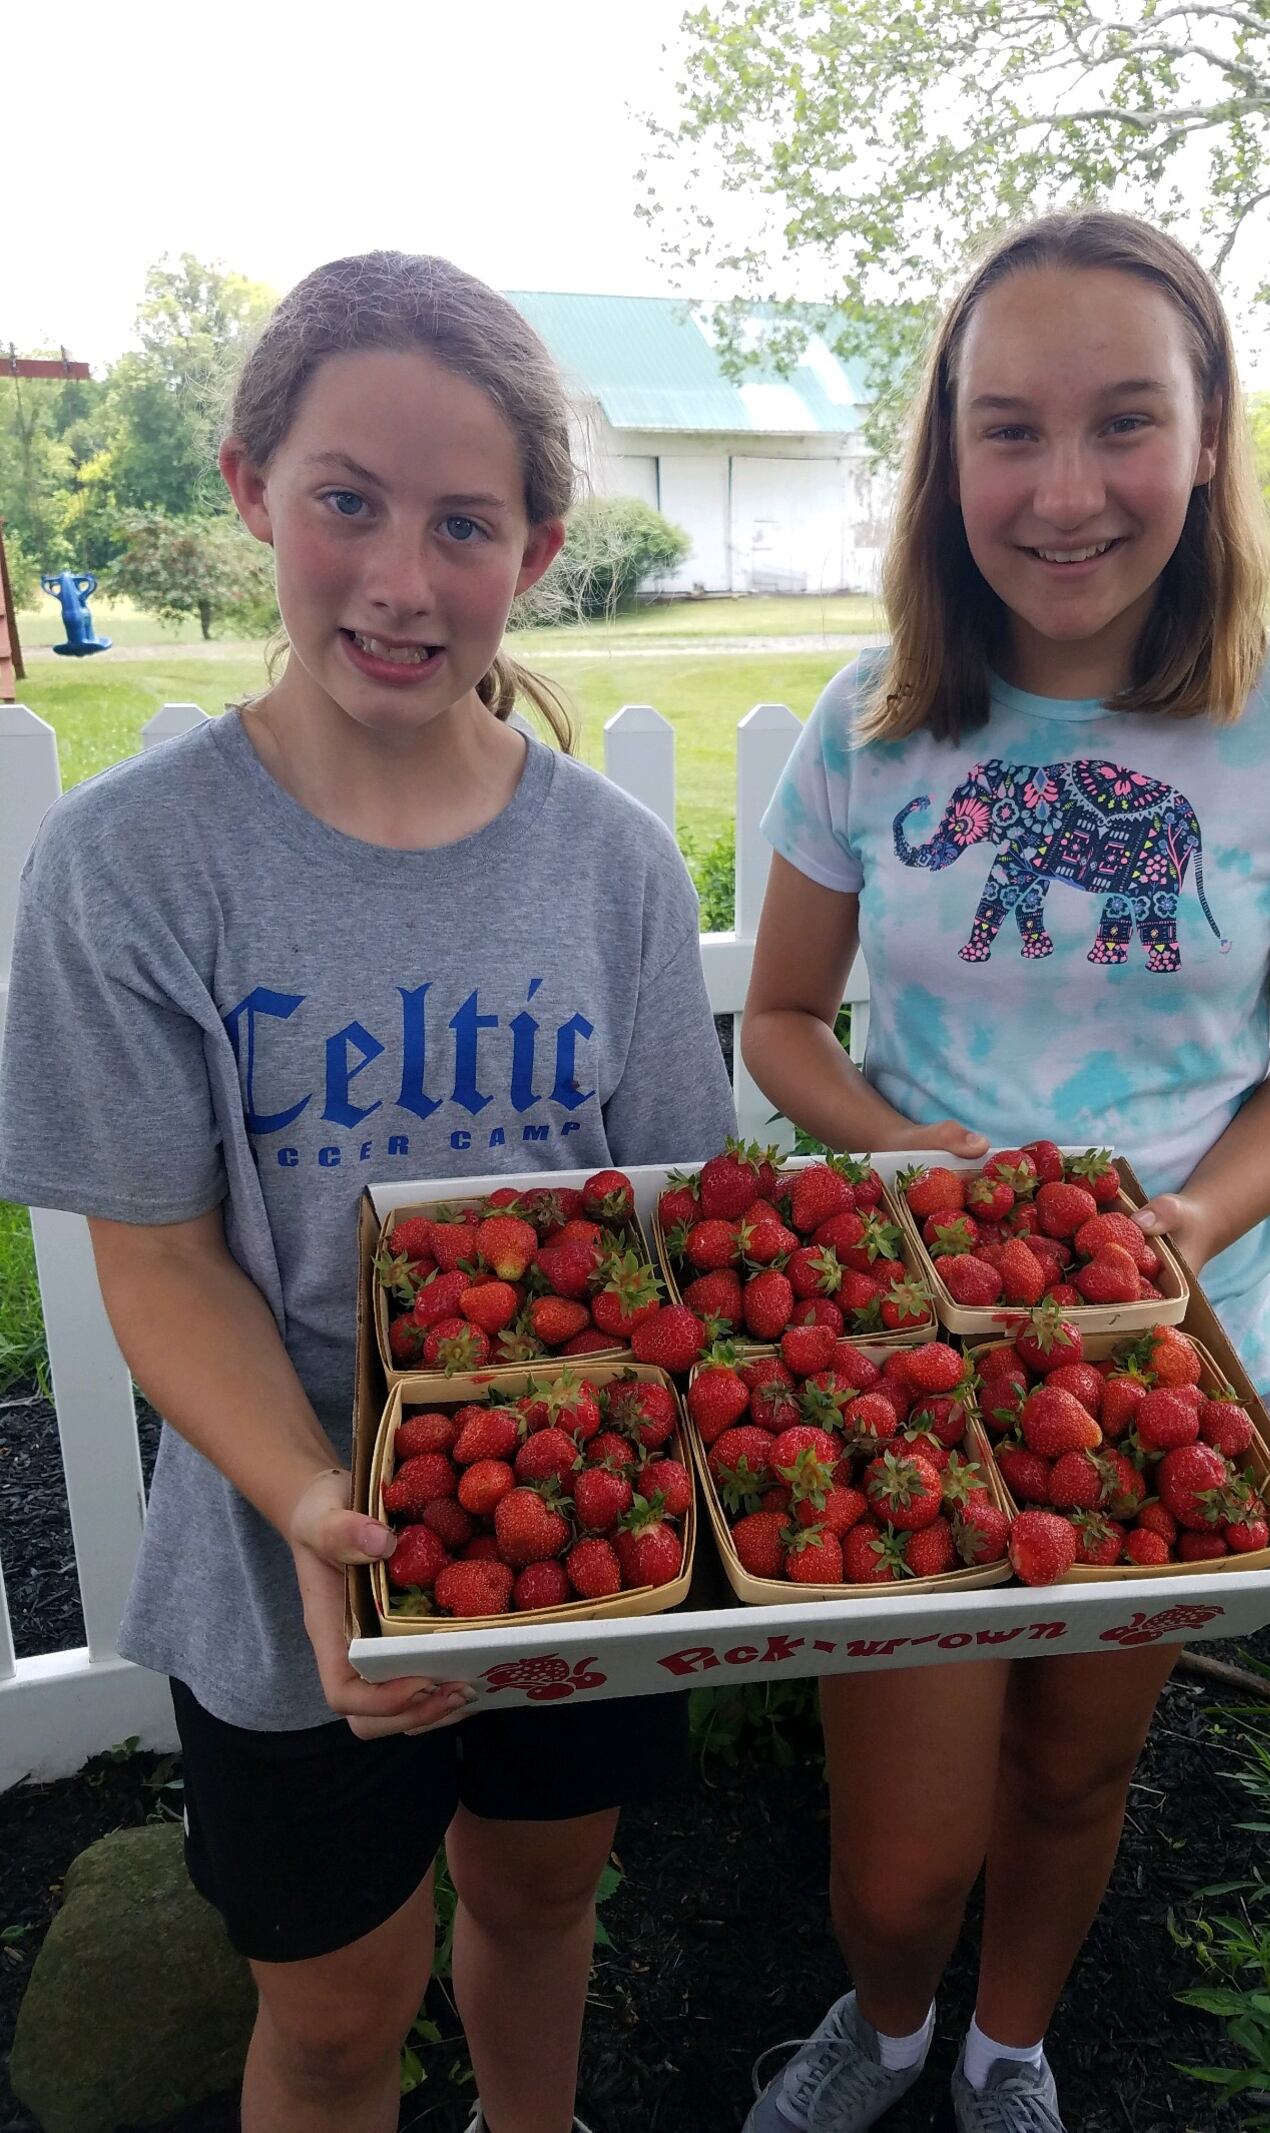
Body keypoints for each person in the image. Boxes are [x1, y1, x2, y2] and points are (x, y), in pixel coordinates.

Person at [0, 251, 735, 2133]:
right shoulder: (134, 869)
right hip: (286, 1537)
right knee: (333, 2010)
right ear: (253, 489)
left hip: (588, 1507)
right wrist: (324, 1498)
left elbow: (667, 1217)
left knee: (544, 1891)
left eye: (464, 522)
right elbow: (157, 1260)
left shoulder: (614, 869)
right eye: (347, 501)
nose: (402, 579)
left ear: (539, 548)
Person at [738, 210, 1270, 2132]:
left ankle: (1007, 2043)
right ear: (947, 458)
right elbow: (785, 1024)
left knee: (1070, 1771)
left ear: (1208, 439)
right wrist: (903, 1152)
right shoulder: (869, 726)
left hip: (1172, 1354)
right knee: (899, 1850)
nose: (1063, 490)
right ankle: (881, 2018)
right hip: (910, 1345)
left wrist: (1190, 1220)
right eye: (1006, 429)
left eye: (1125, 422)